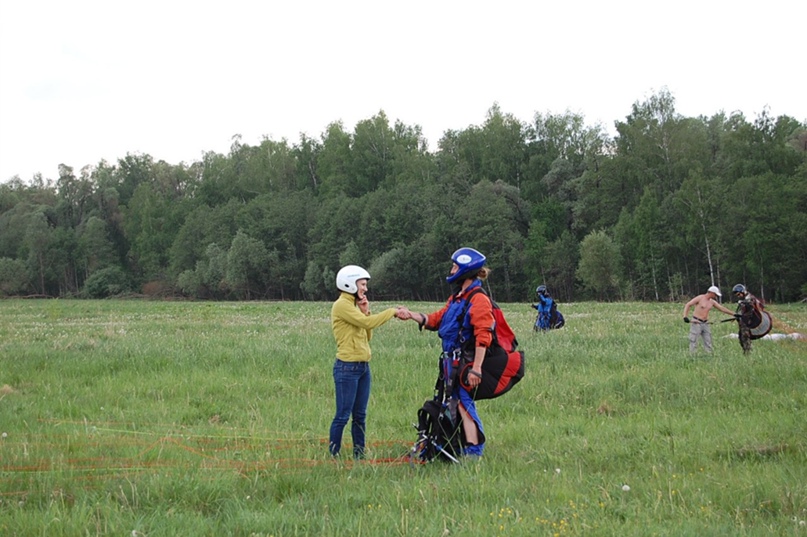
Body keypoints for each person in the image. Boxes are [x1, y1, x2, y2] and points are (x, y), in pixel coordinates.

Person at [398, 247, 493, 459]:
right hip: (450, 362)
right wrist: (410, 315)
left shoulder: (478, 300)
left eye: (455, 266)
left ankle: (474, 452)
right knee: (453, 403)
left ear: (465, 271)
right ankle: (454, 444)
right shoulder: (457, 298)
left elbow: (483, 336)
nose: (451, 270)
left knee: (464, 404)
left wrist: (476, 369)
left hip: (466, 364)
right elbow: (436, 319)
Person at [329, 265, 405, 459]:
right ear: (349, 283)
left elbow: (367, 334)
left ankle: (359, 455)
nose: (365, 289)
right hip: (347, 367)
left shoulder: (353, 307)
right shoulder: (342, 305)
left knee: (360, 416)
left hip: (363, 367)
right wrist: (392, 311)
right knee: (343, 415)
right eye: (362, 284)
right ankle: (333, 455)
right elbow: (368, 324)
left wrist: (366, 312)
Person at [682, 285, 735, 353]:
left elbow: (722, 309)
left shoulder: (712, 302)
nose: (716, 296)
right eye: (715, 294)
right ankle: (693, 355)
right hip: (696, 322)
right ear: (711, 292)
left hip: (705, 323)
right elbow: (688, 304)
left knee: (708, 340)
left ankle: (708, 354)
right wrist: (685, 316)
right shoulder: (700, 298)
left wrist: (733, 314)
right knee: (694, 340)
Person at [732, 284, 766, 354]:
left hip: (749, 321)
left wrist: (743, 316)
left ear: (742, 291)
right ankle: (745, 351)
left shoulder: (750, 298)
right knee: (741, 337)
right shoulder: (744, 300)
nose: (738, 296)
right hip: (744, 321)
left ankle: (748, 352)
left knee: (745, 336)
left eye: (739, 294)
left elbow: (751, 309)